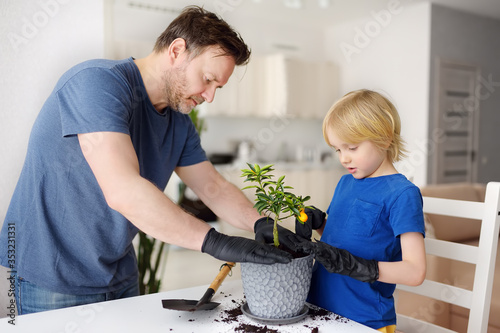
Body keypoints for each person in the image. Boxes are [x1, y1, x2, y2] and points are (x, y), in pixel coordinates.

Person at [0, 6, 294, 315]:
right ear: (177, 50)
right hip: (53, 278)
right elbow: (124, 189)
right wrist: (215, 242)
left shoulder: (179, 123)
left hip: (120, 275)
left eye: (217, 87)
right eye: (207, 79)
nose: (209, 97)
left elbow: (213, 187)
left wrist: (260, 223)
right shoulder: (97, 84)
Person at [294, 89, 426, 332]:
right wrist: (320, 224)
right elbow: (343, 242)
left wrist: (362, 268)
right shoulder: (345, 183)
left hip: (363, 319)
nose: (343, 158)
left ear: (384, 139)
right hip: (316, 308)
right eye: (338, 150)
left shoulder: (402, 194)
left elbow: (415, 271)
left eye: (352, 147)